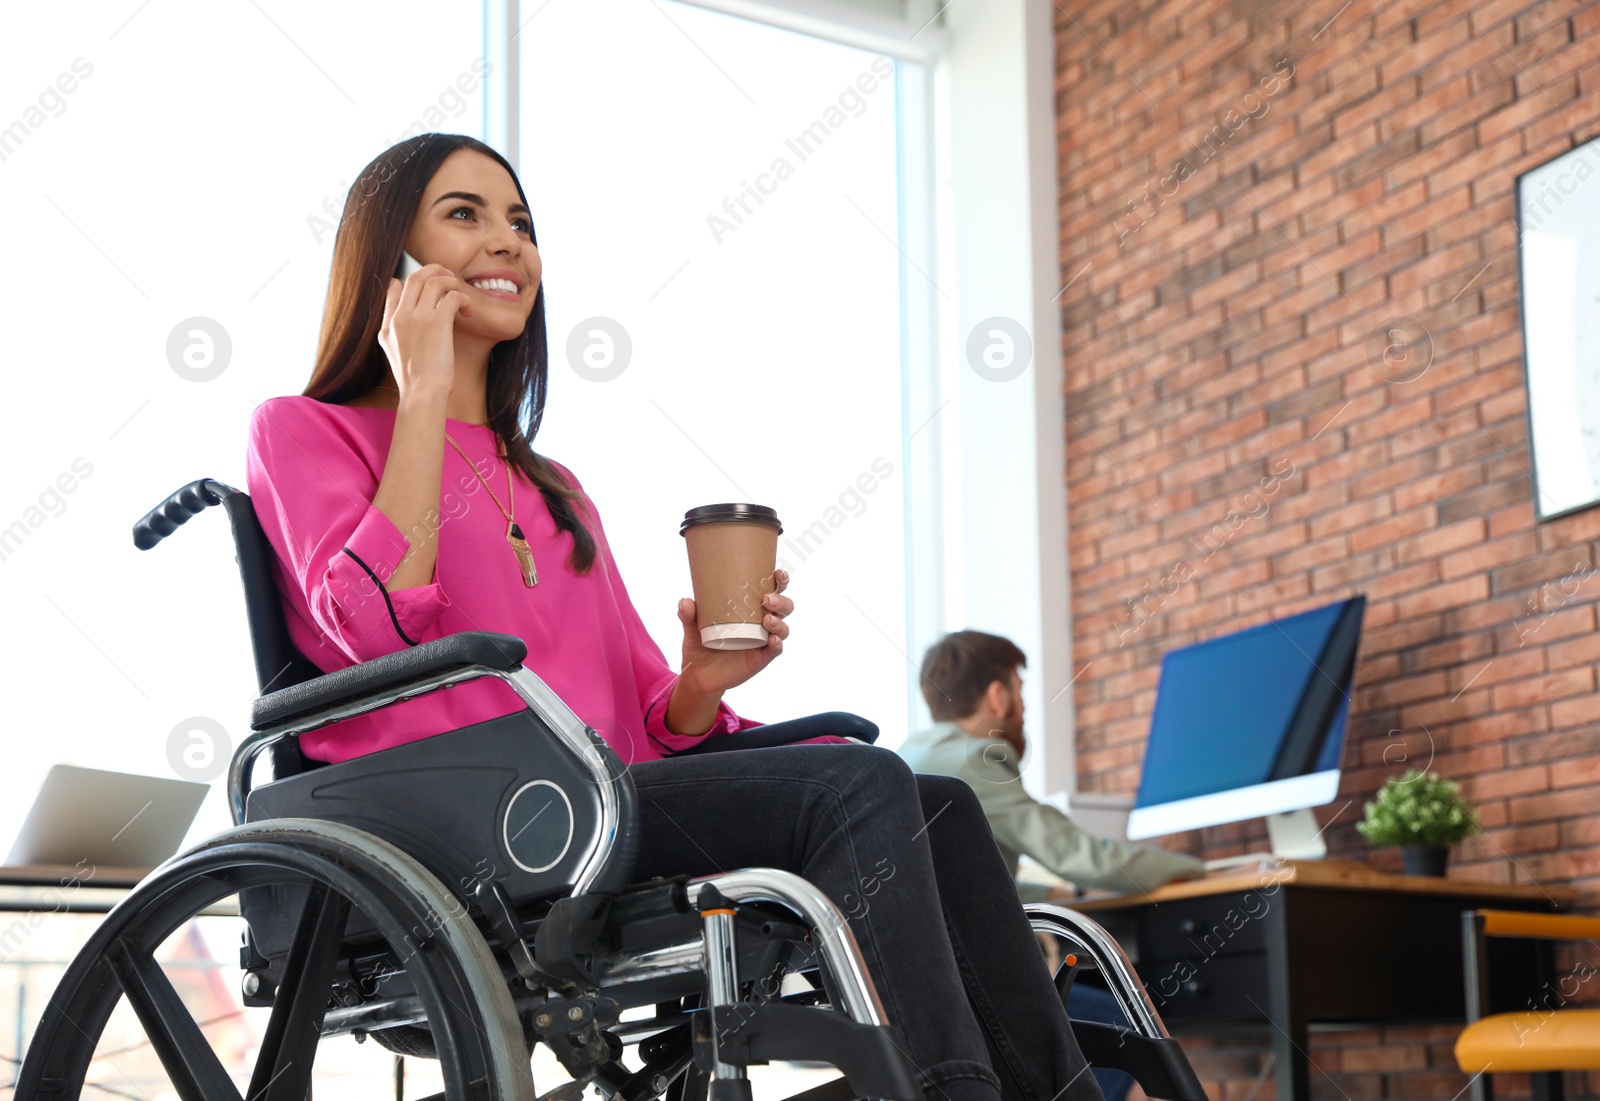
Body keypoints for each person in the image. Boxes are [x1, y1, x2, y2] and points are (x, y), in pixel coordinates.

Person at [245, 132, 1105, 1101]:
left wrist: (699, 682)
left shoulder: (554, 487)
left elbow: (642, 712)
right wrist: (425, 391)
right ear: (388, 266)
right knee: (859, 787)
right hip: (464, 821)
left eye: (521, 224)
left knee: (936, 803)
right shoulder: (299, 430)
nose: (508, 244)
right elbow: (372, 624)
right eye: (464, 215)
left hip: (592, 803)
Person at [899, 630, 1207, 1101]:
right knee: (1127, 1021)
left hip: (913, 993)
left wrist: (1046, 895)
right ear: (998, 695)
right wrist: (1198, 869)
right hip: (973, 990)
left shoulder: (904, 758)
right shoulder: (976, 756)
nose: (1022, 707)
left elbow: (953, 882)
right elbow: (1076, 856)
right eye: (1020, 692)